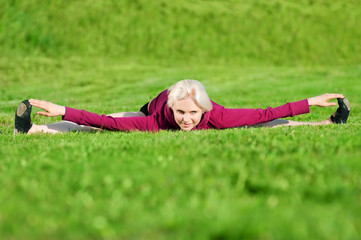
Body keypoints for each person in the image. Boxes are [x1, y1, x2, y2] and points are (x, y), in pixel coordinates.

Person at [13, 79, 350, 135]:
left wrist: (310, 102)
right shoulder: (155, 121)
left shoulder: (215, 115)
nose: (187, 120)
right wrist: (64, 110)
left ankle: (329, 125)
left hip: (190, 96)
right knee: (105, 124)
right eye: (182, 113)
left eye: (193, 113)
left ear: (205, 110)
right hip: (147, 107)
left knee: (261, 125)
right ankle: (33, 129)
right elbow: (104, 120)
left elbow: (265, 114)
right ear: (172, 110)